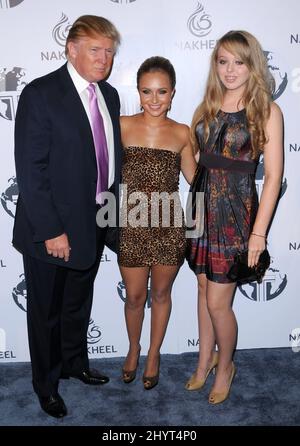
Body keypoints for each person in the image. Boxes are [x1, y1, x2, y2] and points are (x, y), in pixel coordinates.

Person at [13, 15, 122, 418]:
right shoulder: (41, 93)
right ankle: (46, 384)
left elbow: (111, 161)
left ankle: (75, 363)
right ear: (71, 49)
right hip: (52, 229)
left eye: (109, 51)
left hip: (93, 221)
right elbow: (31, 169)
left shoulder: (108, 95)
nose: (104, 58)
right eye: (95, 49)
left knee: (78, 301)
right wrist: (52, 231)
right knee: (46, 311)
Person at [186, 30, 283, 404]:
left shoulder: (266, 110)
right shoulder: (206, 106)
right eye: (222, 61)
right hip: (200, 208)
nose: (230, 70)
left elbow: (273, 176)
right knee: (200, 288)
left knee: (217, 302)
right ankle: (203, 361)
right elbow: (197, 165)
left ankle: (226, 366)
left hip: (235, 214)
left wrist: (258, 234)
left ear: (252, 64)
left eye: (239, 62)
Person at [119, 56, 197, 390]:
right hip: (131, 224)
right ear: (137, 92)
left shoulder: (181, 132)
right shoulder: (121, 125)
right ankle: (134, 347)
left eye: (161, 92)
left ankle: (153, 353)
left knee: (161, 293)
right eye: (147, 91)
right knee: (135, 297)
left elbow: (196, 179)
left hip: (169, 225)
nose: (154, 100)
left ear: (173, 93)